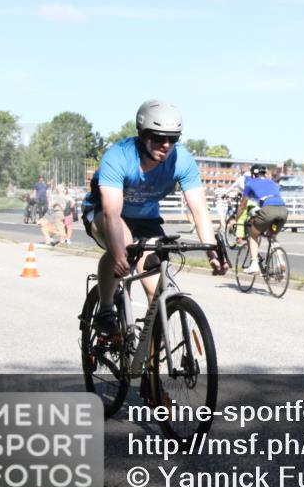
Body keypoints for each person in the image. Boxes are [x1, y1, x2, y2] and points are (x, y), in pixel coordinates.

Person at [81, 99, 227, 339]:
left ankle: (151, 362)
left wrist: (212, 251)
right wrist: (119, 254)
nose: (166, 145)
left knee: (156, 289)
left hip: (145, 219)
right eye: (158, 137)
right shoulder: (119, 156)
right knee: (126, 248)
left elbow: (200, 210)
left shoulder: (182, 160)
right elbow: (111, 213)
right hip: (103, 213)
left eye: (173, 138)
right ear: (142, 134)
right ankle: (106, 309)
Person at [235, 165, 288, 273]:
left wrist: (236, 219)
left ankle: (254, 264)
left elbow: (242, 205)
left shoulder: (250, 183)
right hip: (283, 210)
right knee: (272, 236)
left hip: (268, 210)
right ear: (265, 173)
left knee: (253, 235)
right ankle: (281, 261)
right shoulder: (272, 182)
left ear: (253, 174)